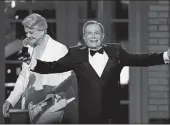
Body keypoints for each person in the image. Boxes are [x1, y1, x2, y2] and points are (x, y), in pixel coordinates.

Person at [28, 20, 170, 124]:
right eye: (89, 33)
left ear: (102, 36)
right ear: (84, 37)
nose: (93, 36)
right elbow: (53, 67)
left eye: (97, 33)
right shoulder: (75, 54)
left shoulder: (116, 51)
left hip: (113, 116)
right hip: (88, 116)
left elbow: (139, 59)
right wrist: (33, 62)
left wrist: (165, 56)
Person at [2, 13, 76, 123]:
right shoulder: (28, 48)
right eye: (26, 32)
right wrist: (10, 100)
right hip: (32, 107)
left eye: (31, 32)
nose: (28, 36)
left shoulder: (59, 49)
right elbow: (23, 77)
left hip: (53, 108)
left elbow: (69, 81)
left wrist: (48, 91)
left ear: (43, 31)